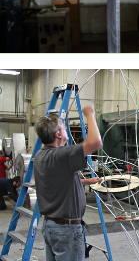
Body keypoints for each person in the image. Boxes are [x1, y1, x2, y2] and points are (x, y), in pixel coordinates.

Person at [34, 105, 102, 261]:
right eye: (63, 126)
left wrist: (87, 181)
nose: (66, 128)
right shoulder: (61, 156)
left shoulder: (39, 156)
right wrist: (90, 114)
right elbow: (95, 142)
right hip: (66, 230)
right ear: (58, 134)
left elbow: (59, 182)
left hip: (50, 226)